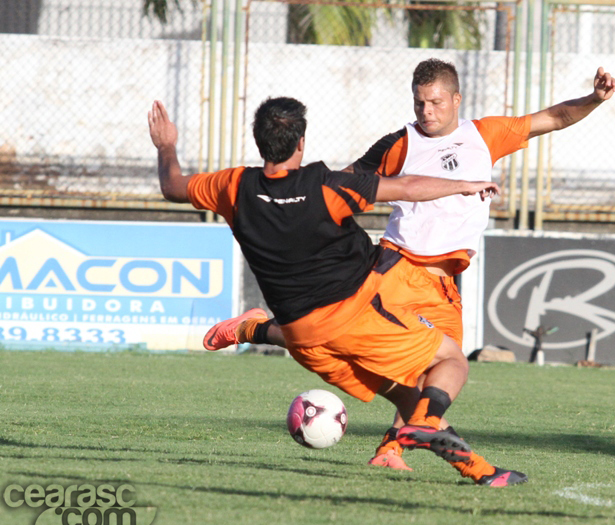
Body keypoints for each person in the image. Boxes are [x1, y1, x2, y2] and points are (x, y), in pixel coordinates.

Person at [206, 59, 615, 478]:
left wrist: (594, 99)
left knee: (435, 381)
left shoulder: (486, 135)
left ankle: (390, 446)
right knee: (419, 370)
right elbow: (342, 183)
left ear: (456, 99)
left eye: (436, 102)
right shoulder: (399, 143)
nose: (427, 112)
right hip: (397, 270)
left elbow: (553, 117)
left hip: (444, 285)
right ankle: (466, 465)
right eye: (419, 103)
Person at [148, 96, 525, 486]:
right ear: (301, 142)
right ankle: (427, 425)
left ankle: (479, 471)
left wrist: (166, 145)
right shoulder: (324, 186)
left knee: (407, 395)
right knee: (450, 361)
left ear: (259, 142)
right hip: (357, 317)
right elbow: (406, 187)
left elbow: (172, 186)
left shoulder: (233, 186)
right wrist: (464, 184)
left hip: (304, 339)